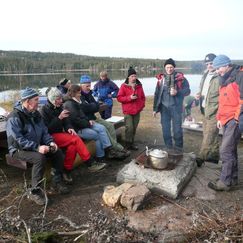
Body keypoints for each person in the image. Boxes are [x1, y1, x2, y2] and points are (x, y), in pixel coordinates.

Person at [6, 87, 69, 206]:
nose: (38, 102)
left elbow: (44, 131)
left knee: (57, 151)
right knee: (39, 158)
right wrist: (37, 147)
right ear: (27, 101)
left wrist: (50, 142)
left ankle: (56, 181)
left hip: (36, 145)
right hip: (18, 149)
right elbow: (18, 139)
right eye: (36, 100)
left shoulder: (36, 114)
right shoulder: (14, 116)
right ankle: (35, 191)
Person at [40, 88, 106, 183]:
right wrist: (59, 118)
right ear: (52, 100)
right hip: (49, 137)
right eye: (58, 99)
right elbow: (47, 129)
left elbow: (66, 122)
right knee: (75, 139)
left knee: (72, 147)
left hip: (60, 134)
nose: (61, 101)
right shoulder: (44, 110)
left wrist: (69, 128)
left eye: (60, 98)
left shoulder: (60, 107)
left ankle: (66, 171)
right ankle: (90, 163)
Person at [208, 55, 243, 191]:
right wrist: (219, 118)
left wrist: (235, 118)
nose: (217, 71)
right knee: (231, 149)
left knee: (225, 150)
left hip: (234, 119)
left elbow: (242, 101)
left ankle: (225, 182)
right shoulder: (225, 78)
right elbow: (223, 102)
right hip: (226, 119)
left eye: (218, 68)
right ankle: (232, 178)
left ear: (226, 65)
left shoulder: (239, 76)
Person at [79, 75, 130, 158]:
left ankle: (113, 149)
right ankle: (114, 149)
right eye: (87, 86)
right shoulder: (79, 95)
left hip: (93, 118)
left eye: (90, 85)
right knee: (103, 129)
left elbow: (96, 107)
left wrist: (91, 106)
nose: (89, 87)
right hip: (87, 121)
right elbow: (84, 108)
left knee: (110, 126)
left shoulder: (89, 94)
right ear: (81, 85)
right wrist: (92, 106)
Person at [63, 84, 117, 162]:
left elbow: (83, 114)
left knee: (101, 128)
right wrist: (88, 123)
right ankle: (101, 157)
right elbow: (76, 120)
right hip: (78, 129)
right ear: (74, 93)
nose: (80, 94)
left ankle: (108, 149)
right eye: (79, 92)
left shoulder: (77, 100)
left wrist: (88, 120)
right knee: (96, 134)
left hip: (84, 124)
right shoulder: (70, 104)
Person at [153, 58, 190, 151]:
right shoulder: (161, 80)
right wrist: (155, 109)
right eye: (167, 67)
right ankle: (168, 147)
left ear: (174, 67)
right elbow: (157, 94)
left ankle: (178, 149)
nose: (169, 69)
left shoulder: (181, 78)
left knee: (177, 130)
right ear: (165, 68)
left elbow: (187, 91)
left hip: (176, 108)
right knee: (165, 129)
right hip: (164, 108)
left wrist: (177, 92)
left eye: (171, 67)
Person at [195, 53, 220, 167]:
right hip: (204, 109)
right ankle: (214, 157)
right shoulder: (205, 74)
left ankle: (200, 158)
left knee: (208, 136)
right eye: (207, 64)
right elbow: (202, 89)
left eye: (211, 63)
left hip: (215, 111)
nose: (209, 66)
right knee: (209, 134)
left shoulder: (220, 76)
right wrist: (199, 94)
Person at [117, 67, 146, 150]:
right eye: (132, 76)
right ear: (128, 77)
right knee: (129, 128)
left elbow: (143, 97)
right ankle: (127, 144)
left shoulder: (139, 86)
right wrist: (129, 98)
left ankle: (131, 144)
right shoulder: (123, 86)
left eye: (135, 76)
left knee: (134, 128)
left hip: (137, 111)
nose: (134, 78)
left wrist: (142, 106)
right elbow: (119, 98)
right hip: (128, 111)